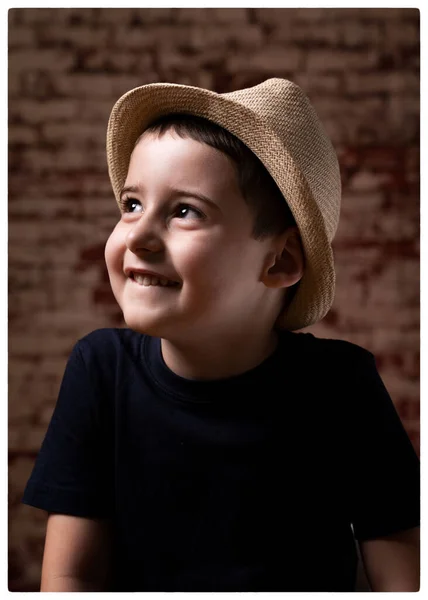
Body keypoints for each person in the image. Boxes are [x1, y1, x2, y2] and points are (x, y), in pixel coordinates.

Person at [21, 78, 420, 592]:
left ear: (280, 262)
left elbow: (402, 574)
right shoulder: (101, 371)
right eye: (131, 204)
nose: (137, 237)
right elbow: (70, 577)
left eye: (184, 211)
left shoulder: (342, 386)